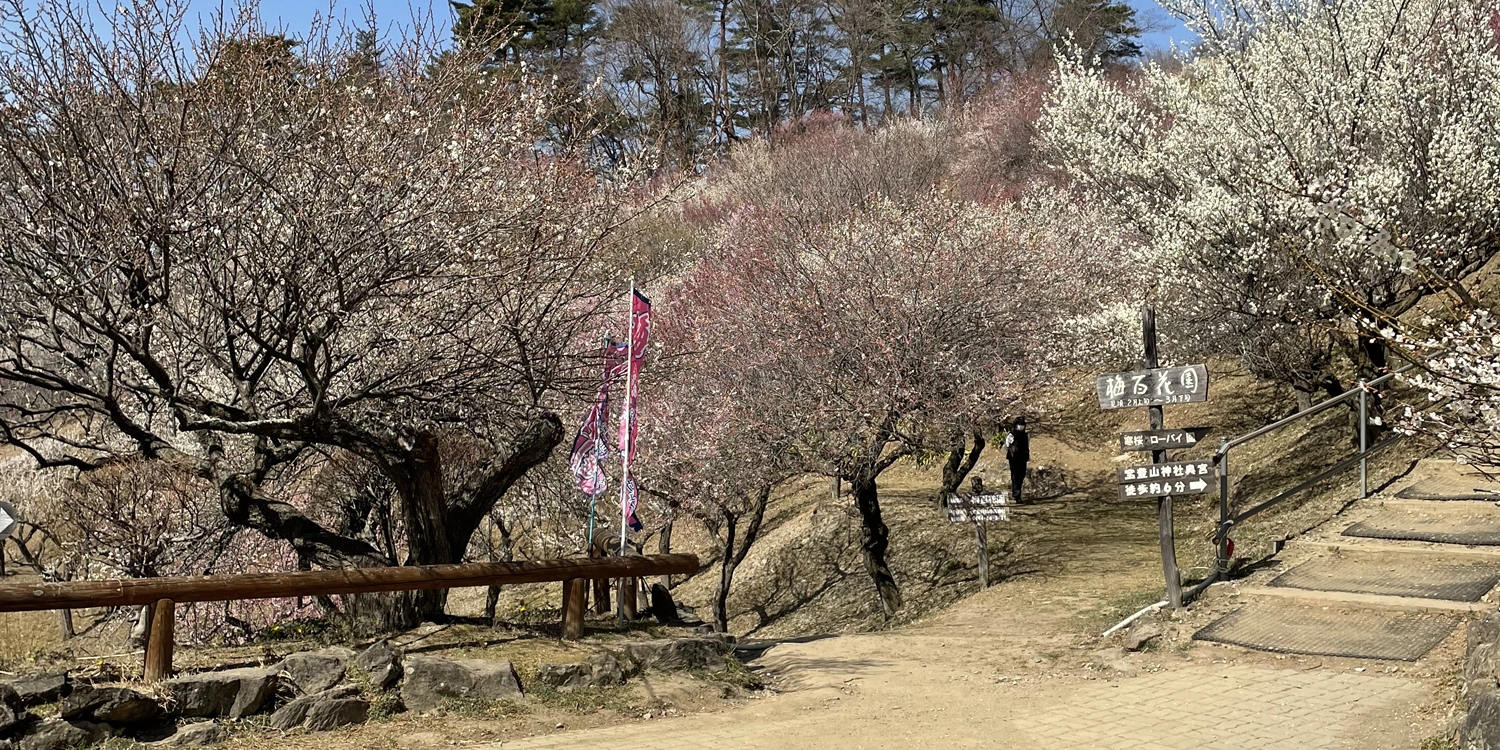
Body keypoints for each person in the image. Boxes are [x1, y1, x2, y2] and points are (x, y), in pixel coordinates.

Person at [1004, 417, 1030, 504]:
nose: (1021, 426)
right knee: (1015, 476)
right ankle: (1016, 495)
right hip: (1014, 459)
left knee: (1021, 475)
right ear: (1016, 425)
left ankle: (1017, 493)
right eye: (1019, 425)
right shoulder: (1011, 435)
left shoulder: (1026, 435)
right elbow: (1007, 445)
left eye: (1022, 425)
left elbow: (1027, 446)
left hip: (1023, 458)